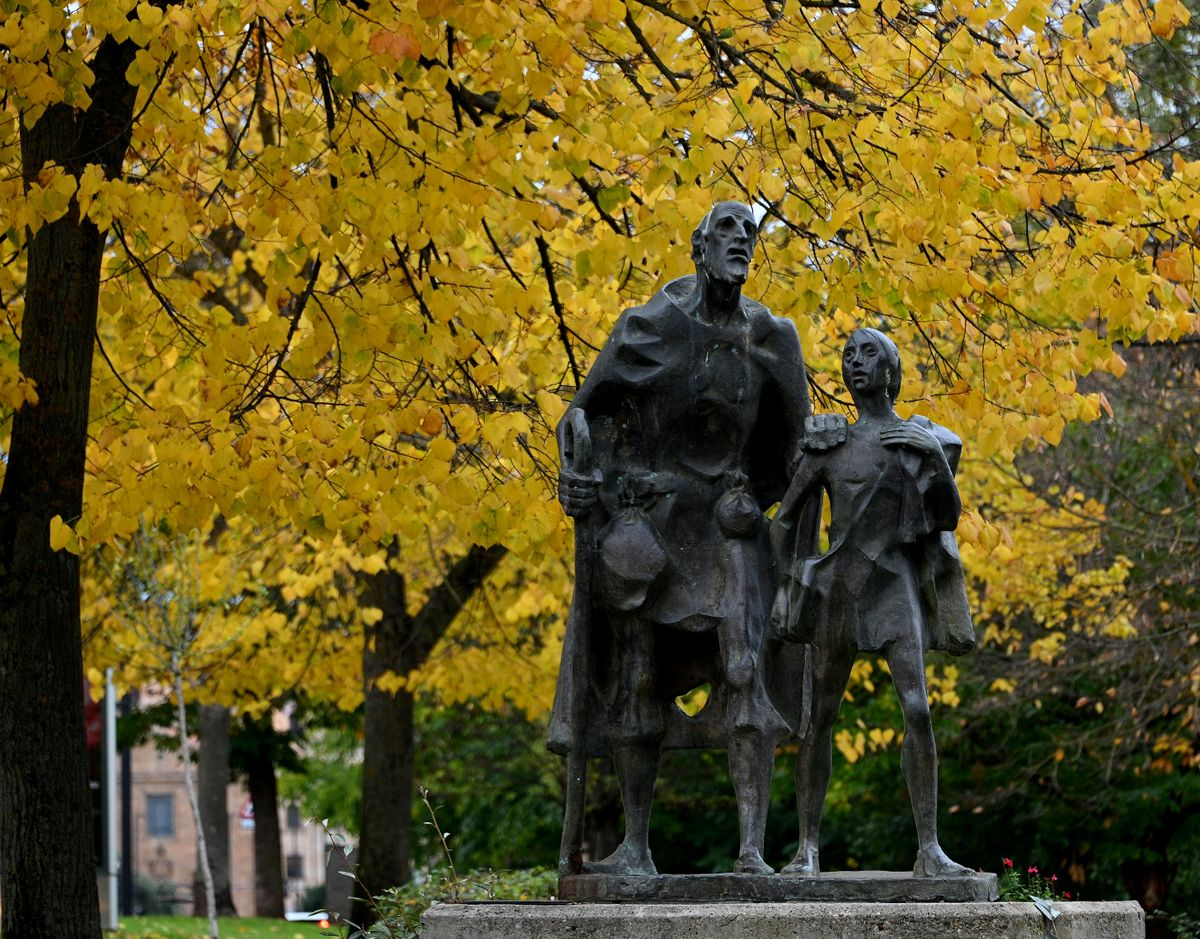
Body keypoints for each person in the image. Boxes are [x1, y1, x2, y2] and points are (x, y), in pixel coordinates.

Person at [548, 201, 819, 875]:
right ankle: (634, 846)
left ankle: (751, 850)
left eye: (749, 232)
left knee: (745, 670)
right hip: (652, 524)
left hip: (730, 522)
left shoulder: (772, 338)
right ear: (698, 248)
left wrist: (810, 460)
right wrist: (577, 478)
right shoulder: (649, 328)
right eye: (726, 231)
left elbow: (795, 448)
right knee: (636, 675)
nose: (741, 241)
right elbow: (580, 418)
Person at [769, 327, 976, 878]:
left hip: (894, 586)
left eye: (868, 353)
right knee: (820, 717)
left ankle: (929, 849)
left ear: (891, 370)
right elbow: (785, 520)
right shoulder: (831, 444)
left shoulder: (918, 439)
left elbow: (947, 517)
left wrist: (933, 458)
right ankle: (806, 850)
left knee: (918, 709)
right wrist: (792, 583)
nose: (855, 362)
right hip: (839, 590)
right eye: (848, 355)